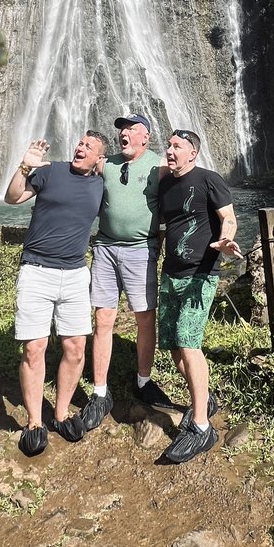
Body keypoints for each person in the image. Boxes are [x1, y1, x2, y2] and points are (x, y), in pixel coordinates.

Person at [4, 131, 109, 457]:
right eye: (80, 143)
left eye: (89, 147)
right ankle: (35, 422)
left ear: (98, 159)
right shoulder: (50, 171)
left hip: (76, 274)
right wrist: (24, 167)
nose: (80, 148)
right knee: (34, 349)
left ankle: (61, 413)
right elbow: (12, 198)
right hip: (36, 270)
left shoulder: (102, 183)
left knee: (75, 348)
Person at [79, 113, 172, 431]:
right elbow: (76, 176)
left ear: (145, 137)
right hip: (104, 249)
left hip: (141, 251)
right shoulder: (105, 164)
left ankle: (143, 381)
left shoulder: (160, 166)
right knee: (102, 320)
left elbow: (189, 190)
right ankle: (100, 392)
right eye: (121, 129)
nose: (124, 133)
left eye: (131, 129)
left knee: (145, 318)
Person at [157, 128, 241, 463]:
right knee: (176, 347)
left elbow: (229, 217)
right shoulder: (166, 184)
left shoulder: (209, 179)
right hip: (170, 274)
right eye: (168, 145)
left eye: (177, 146)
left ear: (194, 152)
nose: (170, 149)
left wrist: (226, 239)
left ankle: (202, 427)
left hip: (199, 275)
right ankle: (203, 398)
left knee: (189, 345)